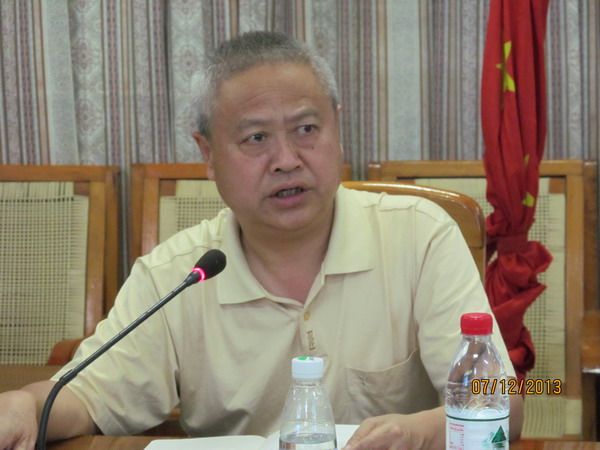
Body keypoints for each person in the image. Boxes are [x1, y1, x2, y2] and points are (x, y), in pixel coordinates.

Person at [0, 31, 523, 449]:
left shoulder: (420, 236)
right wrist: (26, 404)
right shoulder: (177, 274)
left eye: (306, 129)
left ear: (337, 130)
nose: (287, 160)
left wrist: (417, 434)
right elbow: (88, 397)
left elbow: (503, 403)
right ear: (208, 155)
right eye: (255, 138)